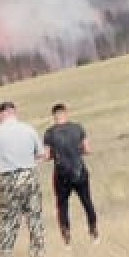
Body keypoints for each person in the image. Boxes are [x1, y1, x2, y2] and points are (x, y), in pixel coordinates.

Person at [0, 100, 47, 257]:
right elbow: (40, 154)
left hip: (8, 178)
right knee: (34, 217)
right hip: (29, 175)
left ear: (1, 114)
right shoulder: (28, 129)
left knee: (9, 220)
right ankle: (39, 255)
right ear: (14, 112)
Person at [43, 103, 99, 244]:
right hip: (79, 170)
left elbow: (47, 156)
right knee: (87, 202)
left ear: (53, 115)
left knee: (62, 206)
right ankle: (93, 231)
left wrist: (55, 155)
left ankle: (66, 237)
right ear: (66, 113)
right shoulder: (78, 128)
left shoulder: (49, 132)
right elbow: (88, 149)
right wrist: (77, 151)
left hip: (61, 174)